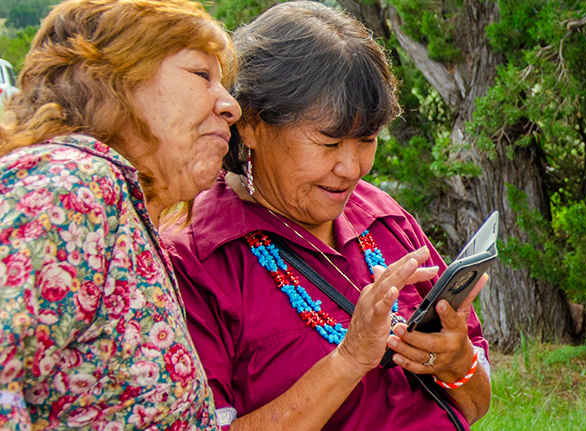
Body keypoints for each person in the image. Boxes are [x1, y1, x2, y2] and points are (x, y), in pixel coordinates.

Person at [162, 1, 491, 430]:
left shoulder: (380, 215)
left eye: (367, 140)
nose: (351, 169)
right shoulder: (195, 260)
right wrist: (350, 358)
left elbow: (476, 402)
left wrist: (457, 361)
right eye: (329, 144)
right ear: (252, 125)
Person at [0, 0, 241, 429]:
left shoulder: (119, 205)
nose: (230, 106)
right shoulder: (71, 182)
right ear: (116, 80)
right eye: (201, 75)